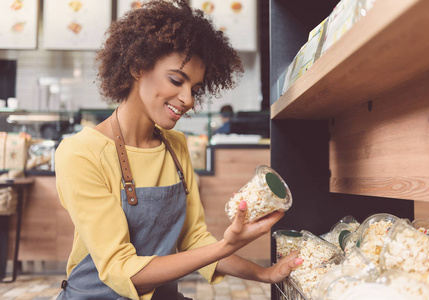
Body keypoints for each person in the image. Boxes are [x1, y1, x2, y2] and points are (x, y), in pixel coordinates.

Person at [54, 1, 302, 299]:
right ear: (136, 67)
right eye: (176, 80)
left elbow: (194, 240)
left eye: (195, 89)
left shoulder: (175, 147)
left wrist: (263, 274)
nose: (188, 100)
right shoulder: (80, 153)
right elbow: (122, 269)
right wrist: (227, 244)